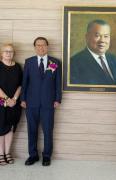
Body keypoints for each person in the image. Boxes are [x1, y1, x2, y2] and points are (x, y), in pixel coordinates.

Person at [21, 37, 62, 166]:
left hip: (48, 103)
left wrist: (57, 98)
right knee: (31, 130)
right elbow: (25, 82)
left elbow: (58, 82)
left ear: (47, 46)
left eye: (43, 45)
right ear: (35, 47)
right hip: (31, 102)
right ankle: (33, 155)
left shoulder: (55, 62)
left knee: (48, 130)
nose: (41, 47)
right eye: (38, 45)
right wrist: (22, 99)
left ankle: (46, 156)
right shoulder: (29, 62)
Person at [70, 19, 116, 85]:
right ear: (87, 37)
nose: (102, 40)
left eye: (106, 36)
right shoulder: (74, 63)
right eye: (97, 36)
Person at [0, 43, 22, 165]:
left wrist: (14, 98)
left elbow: (20, 85)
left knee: (11, 129)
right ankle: (0, 154)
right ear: (2, 53)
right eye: (6, 51)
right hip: (1, 102)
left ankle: (7, 153)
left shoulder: (17, 67)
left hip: (14, 103)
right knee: (1, 128)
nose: (9, 53)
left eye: (11, 51)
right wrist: (7, 99)